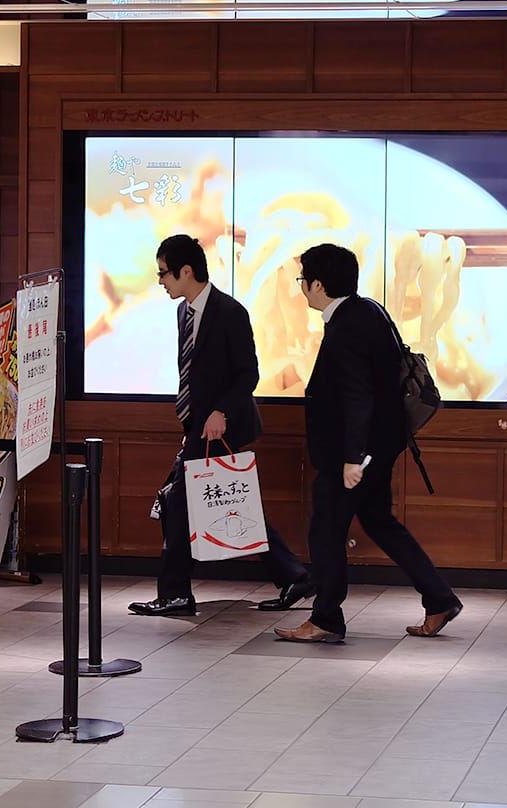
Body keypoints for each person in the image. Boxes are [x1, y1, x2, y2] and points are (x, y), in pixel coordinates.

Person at [274, 243, 462, 644]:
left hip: (356, 453)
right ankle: (439, 598)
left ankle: (325, 618)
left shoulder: (348, 326)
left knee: (325, 530)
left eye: (303, 279)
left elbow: (359, 395)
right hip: (378, 445)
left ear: (318, 284)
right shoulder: (368, 310)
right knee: (380, 522)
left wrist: (353, 457)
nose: (301, 286)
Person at [128, 234, 315, 616]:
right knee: (229, 506)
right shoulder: (183, 312)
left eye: (164, 273)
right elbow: (193, 374)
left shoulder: (230, 312)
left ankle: (176, 593)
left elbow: (249, 373)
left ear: (186, 271)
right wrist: (192, 420)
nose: (160, 281)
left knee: (180, 504)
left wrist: (220, 412)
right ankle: (294, 576)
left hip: (223, 429)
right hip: (198, 428)